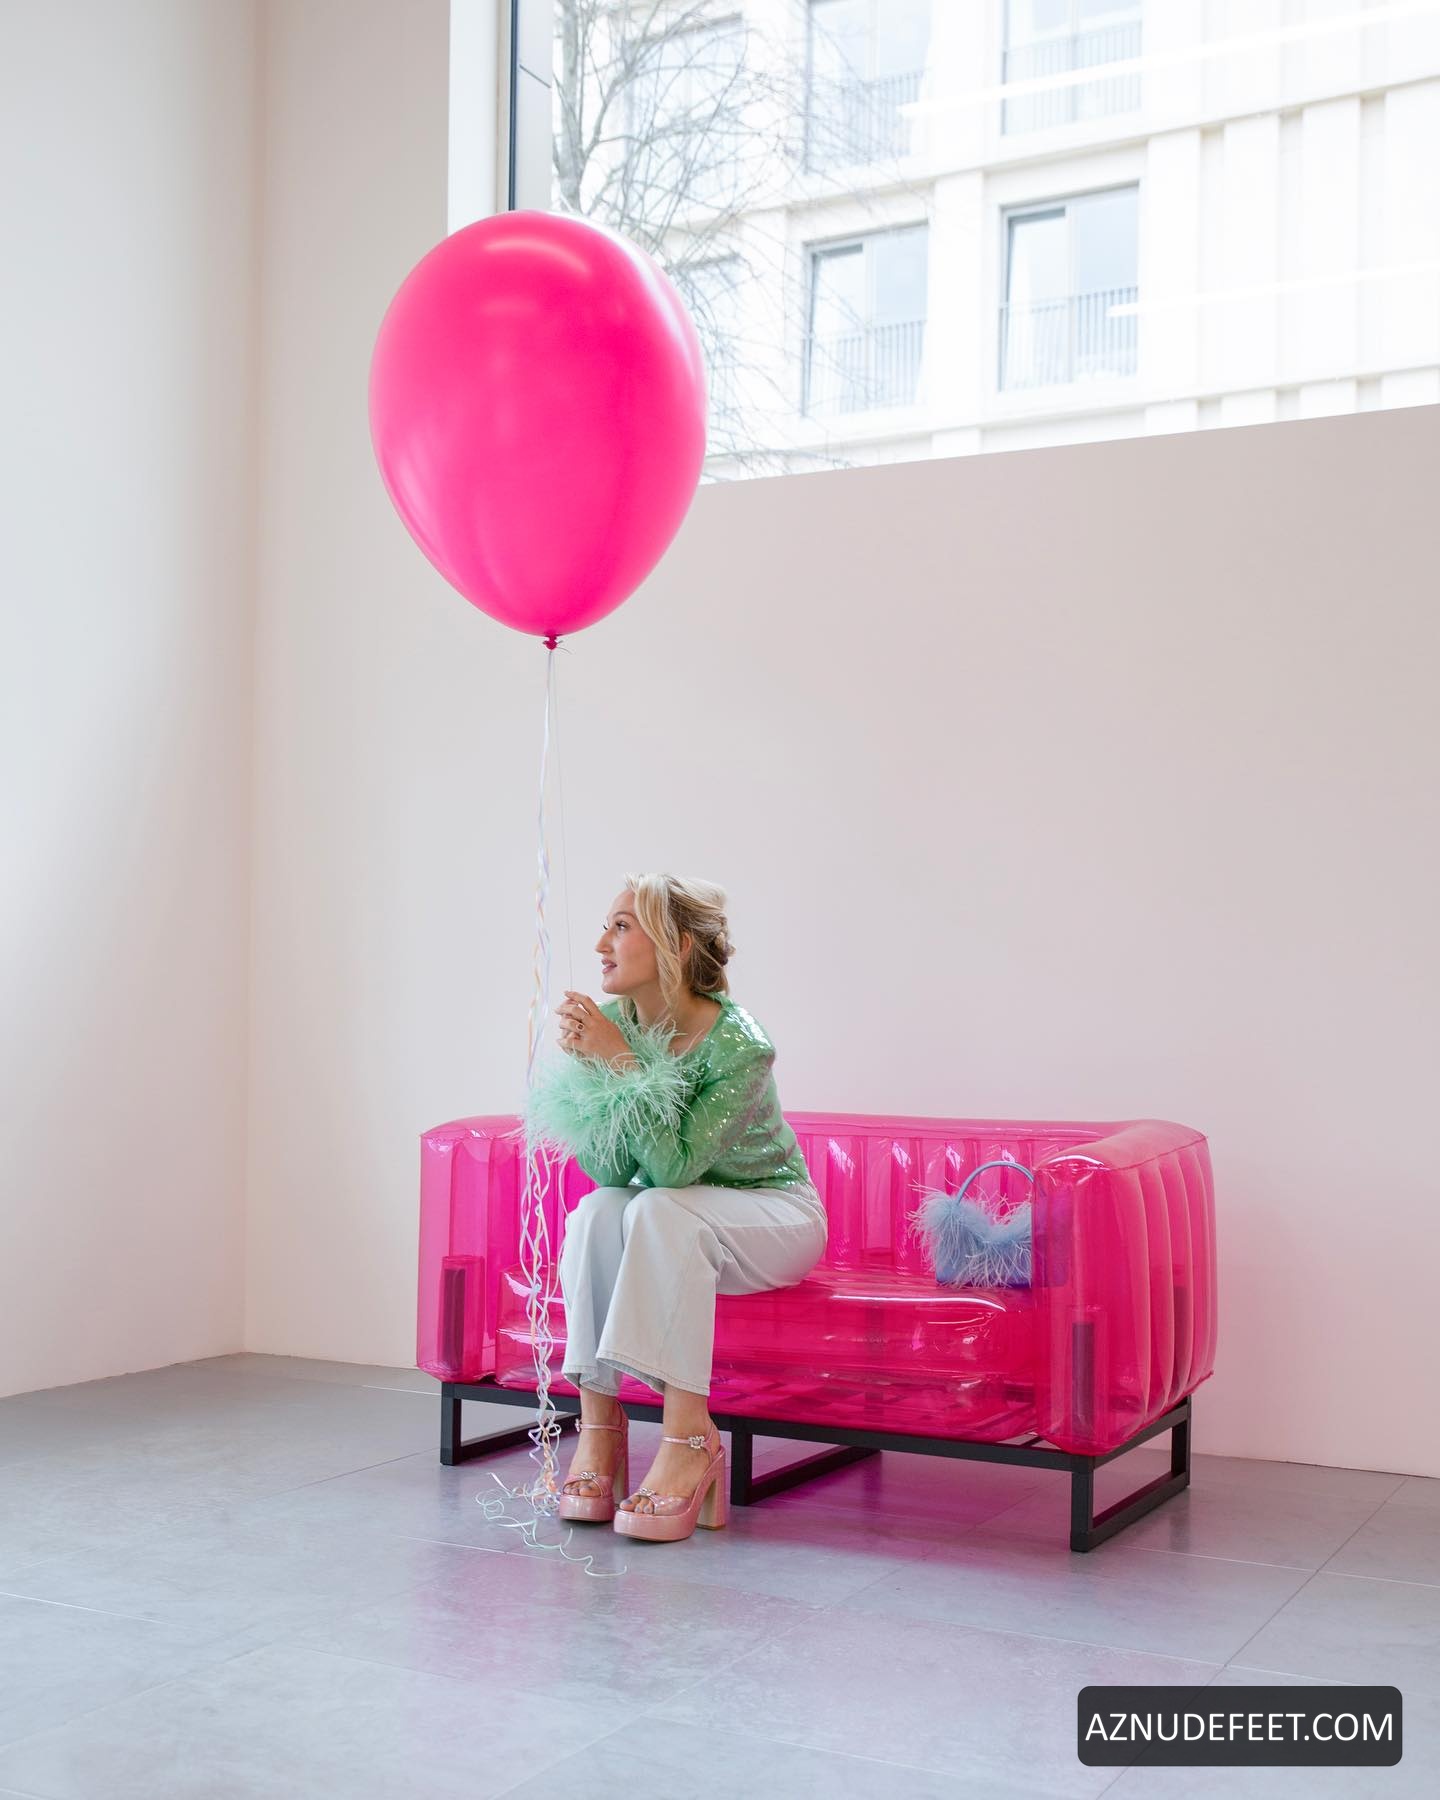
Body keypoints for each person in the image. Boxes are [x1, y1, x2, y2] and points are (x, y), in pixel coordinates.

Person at [520, 872, 826, 1542]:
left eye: (621, 926)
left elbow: (673, 1170)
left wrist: (623, 1065)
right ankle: (599, 1426)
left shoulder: (739, 1043)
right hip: (681, 1214)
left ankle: (690, 1440)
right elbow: (611, 1172)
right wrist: (597, 1068)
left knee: (660, 1209)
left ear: (677, 945)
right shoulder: (618, 1026)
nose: (601, 943)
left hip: (774, 1212)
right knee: (598, 1210)